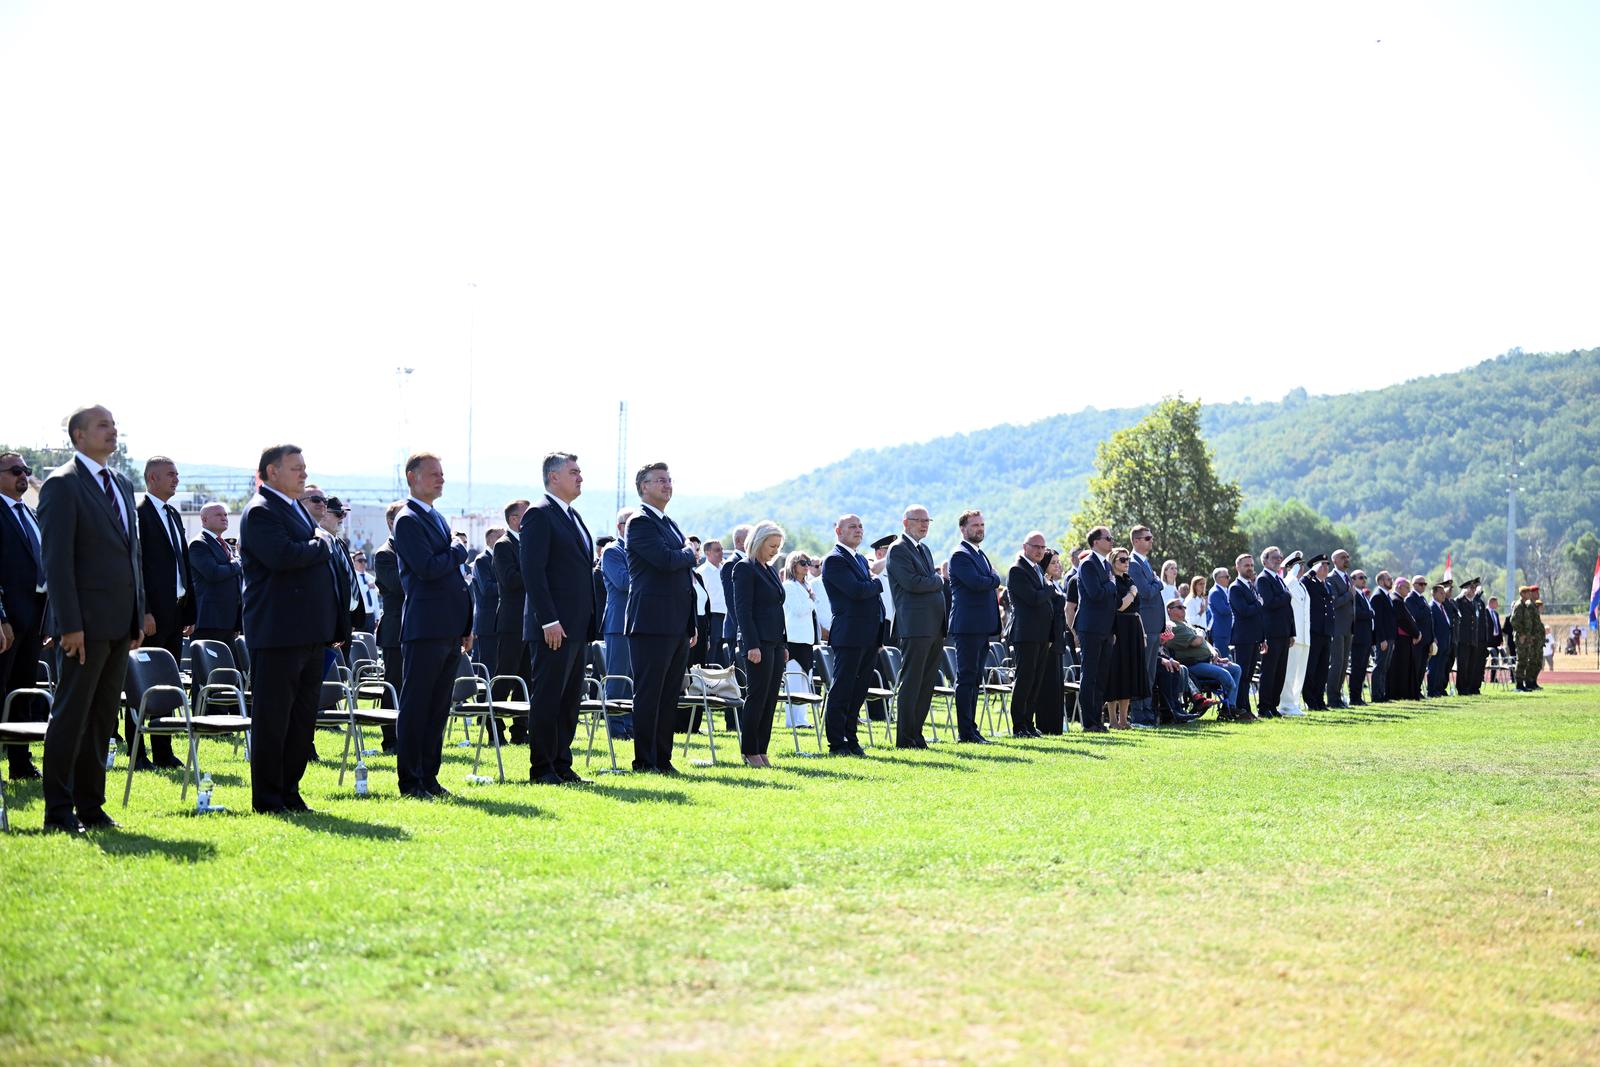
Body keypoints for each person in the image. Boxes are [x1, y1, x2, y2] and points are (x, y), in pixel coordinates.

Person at [37, 406, 146, 833]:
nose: (112, 431)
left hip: (120, 623)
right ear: (78, 436)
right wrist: (69, 624)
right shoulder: (63, 484)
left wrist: (139, 613)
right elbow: (57, 561)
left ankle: (91, 806)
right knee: (72, 716)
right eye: (103, 425)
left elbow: (132, 555)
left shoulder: (120, 482)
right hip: (83, 626)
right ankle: (58, 812)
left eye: (114, 425)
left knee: (104, 717)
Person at [239, 442, 347, 815]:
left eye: (304, 467)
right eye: (295, 468)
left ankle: (290, 790)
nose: (303, 473)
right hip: (278, 632)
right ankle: (268, 798)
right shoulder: (261, 512)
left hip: (310, 633)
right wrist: (321, 542)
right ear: (271, 472)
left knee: (301, 720)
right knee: (274, 719)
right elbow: (283, 557)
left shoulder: (294, 510)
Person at [392, 452, 473, 799]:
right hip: (425, 626)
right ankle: (411, 779)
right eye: (432, 474)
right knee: (418, 704)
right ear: (412, 477)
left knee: (439, 706)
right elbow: (427, 567)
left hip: (448, 626)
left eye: (442, 474)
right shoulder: (408, 519)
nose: (440, 479)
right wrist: (458, 548)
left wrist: (466, 624)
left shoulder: (436, 517)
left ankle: (429, 775)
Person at [521, 452, 599, 785]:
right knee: (549, 697)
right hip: (553, 626)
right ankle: (542, 767)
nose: (580, 477)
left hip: (576, 627)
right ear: (554, 477)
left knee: (569, 700)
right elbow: (533, 571)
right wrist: (548, 619)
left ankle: (561, 763)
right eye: (574, 472)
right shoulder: (539, 514)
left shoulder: (573, 516)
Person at [623, 462, 697, 774]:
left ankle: (663, 759)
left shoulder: (670, 523)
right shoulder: (640, 522)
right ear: (644, 487)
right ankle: (645, 760)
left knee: (669, 695)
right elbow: (667, 561)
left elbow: (683, 573)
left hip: (677, 622)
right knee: (650, 693)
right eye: (660, 481)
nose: (667, 485)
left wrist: (691, 622)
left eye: (669, 480)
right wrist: (688, 554)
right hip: (652, 621)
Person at [128, 455, 194, 770]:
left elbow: (182, 564)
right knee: (143, 684)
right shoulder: (139, 514)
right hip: (153, 615)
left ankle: (164, 752)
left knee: (168, 683)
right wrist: (144, 611)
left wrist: (190, 610)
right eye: (170, 474)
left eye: (177, 474)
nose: (176, 479)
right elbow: (137, 567)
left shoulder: (171, 514)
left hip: (176, 612)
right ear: (152, 478)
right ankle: (137, 752)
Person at [0, 451, 46, 782]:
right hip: (7, 619)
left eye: (26, 470)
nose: (23, 475)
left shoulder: (29, 512)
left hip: (35, 617)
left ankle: (20, 761)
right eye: (16, 470)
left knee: (23, 691)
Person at [822, 514, 884, 755]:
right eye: (852, 527)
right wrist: (876, 583)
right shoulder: (834, 560)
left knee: (858, 691)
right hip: (849, 634)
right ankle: (837, 742)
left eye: (860, 526)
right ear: (838, 532)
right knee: (843, 688)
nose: (858, 530)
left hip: (867, 634)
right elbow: (857, 591)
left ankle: (851, 738)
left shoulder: (858, 558)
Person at [884, 506, 944, 749]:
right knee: (912, 682)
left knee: (926, 683)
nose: (924, 524)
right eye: (918, 520)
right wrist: (938, 580)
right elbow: (912, 583)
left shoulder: (924, 549)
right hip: (915, 625)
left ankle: (916, 735)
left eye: (927, 520)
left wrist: (933, 581)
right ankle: (905, 738)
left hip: (933, 625)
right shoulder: (898, 549)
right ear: (905, 522)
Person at [731, 521, 786, 767]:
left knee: (771, 697)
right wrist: (752, 644)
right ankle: (749, 750)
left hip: (774, 643)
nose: (775, 550)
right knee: (757, 696)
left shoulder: (770, 569)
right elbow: (742, 610)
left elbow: (777, 608)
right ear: (758, 542)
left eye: (778, 546)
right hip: (757, 643)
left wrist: (783, 644)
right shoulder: (745, 568)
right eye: (771, 545)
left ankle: (762, 749)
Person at [948, 509, 1001, 743]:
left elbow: (985, 582)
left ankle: (972, 728)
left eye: (981, 524)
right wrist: (995, 579)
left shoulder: (979, 553)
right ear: (963, 529)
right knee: (967, 678)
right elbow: (977, 583)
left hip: (981, 627)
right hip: (967, 626)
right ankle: (965, 732)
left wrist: (990, 579)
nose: (979, 529)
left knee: (975, 679)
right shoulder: (960, 555)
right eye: (975, 525)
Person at [1004, 531, 1053, 738]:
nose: (1040, 551)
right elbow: (1033, 598)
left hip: (1041, 633)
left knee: (1036, 680)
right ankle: (1018, 725)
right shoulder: (1017, 569)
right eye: (1035, 547)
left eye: (1043, 547)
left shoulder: (1036, 570)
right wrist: (1049, 589)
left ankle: (1029, 723)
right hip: (1026, 633)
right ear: (1025, 547)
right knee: (1025, 679)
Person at [492, 499, 532, 741]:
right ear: (514, 519)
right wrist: (536, 571)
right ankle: (494, 728)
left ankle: (520, 730)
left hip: (530, 622)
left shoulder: (528, 545)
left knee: (526, 678)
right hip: (511, 622)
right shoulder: (504, 546)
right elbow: (510, 580)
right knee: (506, 675)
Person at [1162, 597, 1243, 715]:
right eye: (1179, 607)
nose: (1183, 610)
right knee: (1225, 675)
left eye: (1184, 607)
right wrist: (1201, 632)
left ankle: (1229, 706)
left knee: (1236, 669)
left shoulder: (1187, 624)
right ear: (1169, 610)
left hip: (1207, 661)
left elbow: (1204, 642)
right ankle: (1229, 708)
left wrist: (1214, 653)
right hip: (1192, 665)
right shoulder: (1173, 627)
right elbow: (1197, 641)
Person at [1073, 527, 1119, 732]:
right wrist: (1111, 584)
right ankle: (1089, 722)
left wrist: (1110, 586)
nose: (1112, 541)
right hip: (1090, 627)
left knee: (1101, 676)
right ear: (1095, 542)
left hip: (1106, 628)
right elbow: (1095, 593)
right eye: (1108, 538)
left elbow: (1112, 597)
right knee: (1089, 674)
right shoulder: (1088, 564)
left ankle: (1098, 721)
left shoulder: (1107, 565)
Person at [598, 508, 636, 738]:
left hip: (635, 623)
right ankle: (615, 728)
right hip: (618, 624)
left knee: (632, 679)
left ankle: (630, 725)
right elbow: (623, 582)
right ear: (620, 527)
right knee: (617, 678)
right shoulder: (613, 551)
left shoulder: (635, 551)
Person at [372, 502, 405, 751]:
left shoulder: (411, 549)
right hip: (396, 629)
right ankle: (390, 738)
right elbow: (398, 585)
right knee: (393, 684)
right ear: (392, 523)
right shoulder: (385, 554)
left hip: (416, 627)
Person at [1103, 548, 1148, 730]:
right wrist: (1132, 593)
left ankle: (1124, 719)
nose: (1126, 562)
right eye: (1122, 559)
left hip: (1133, 629)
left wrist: (1143, 633)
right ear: (1113, 561)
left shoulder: (1129, 580)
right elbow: (1120, 606)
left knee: (1129, 673)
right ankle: (1113, 720)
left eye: (1128, 559)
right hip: (1118, 628)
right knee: (1115, 674)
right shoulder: (1112, 581)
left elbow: (1136, 611)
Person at [1126, 527, 1166, 728]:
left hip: (1153, 626)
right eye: (1147, 538)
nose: (1151, 541)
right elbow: (1146, 592)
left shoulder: (1145, 563)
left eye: (1151, 538)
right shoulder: (1133, 564)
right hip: (1144, 626)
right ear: (1135, 541)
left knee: (1149, 673)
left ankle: (1148, 712)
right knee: (1141, 672)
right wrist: (1158, 582)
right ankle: (1139, 715)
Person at [1255, 546, 1295, 717]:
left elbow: (1288, 609)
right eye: (1274, 558)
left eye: (1279, 557)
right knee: (1269, 671)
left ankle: (1273, 705)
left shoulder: (1279, 579)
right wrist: (1287, 596)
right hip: (1271, 632)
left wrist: (1292, 632)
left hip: (1284, 632)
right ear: (1265, 561)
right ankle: (1264, 707)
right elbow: (1269, 603)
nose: (1278, 560)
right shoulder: (1263, 579)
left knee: (1280, 671)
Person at [780, 553, 817, 728]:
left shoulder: (806, 586)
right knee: (794, 681)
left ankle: (802, 719)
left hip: (806, 640)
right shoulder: (788, 586)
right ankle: (793, 721)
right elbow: (798, 610)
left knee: (804, 681)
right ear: (793, 565)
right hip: (794, 639)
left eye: (808, 562)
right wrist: (811, 600)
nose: (806, 566)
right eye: (803, 562)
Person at [1227, 553, 1266, 719]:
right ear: (1238, 567)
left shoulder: (1252, 586)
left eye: (1251, 565)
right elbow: (1244, 611)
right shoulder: (1235, 588)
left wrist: (1262, 638)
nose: (1250, 568)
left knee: (1249, 676)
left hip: (1255, 637)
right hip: (1243, 638)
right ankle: (1242, 709)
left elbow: (1258, 615)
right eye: (1246, 565)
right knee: (1243, 675)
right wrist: (1258, 603)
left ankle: (1246, 708)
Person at [1298, 554, 1333, 711]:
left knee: (1323, 669)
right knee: (1311, 668)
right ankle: (1310, 700)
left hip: (1326, 632)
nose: (1325, 568)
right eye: (1322, 565)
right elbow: (1302, 581)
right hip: (1314, 631)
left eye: (1327, 565)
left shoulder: (1327, 585)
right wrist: (1311, 572)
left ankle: (1320, 700)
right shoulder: (1309, 583)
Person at [1039, 550, 1069, 735]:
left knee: (1057, 684)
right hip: (1049, 638)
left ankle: (1056, 725)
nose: (1058, 565)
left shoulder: (1055, 584)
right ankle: (1046, 725)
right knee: (1048, 684)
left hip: (1058, 638)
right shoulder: (1044, 584)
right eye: (1053, 563)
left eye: (1058, 562)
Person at [469, 526, 502, 679]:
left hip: (499, 621)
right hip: (487, 622)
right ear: (489, 540)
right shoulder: (482, 560)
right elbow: (487, 589)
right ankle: (483, 700)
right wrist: (508, 585)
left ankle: (494, 700)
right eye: (499, 537)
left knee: (497, 664)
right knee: (487, 665)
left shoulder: (499, 558)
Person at [1281, 551, 1310, 717]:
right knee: (1290, 672)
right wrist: (1292, 572)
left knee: (1300, 674)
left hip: (1304, 636)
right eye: (1298, 566)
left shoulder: (1302, 585)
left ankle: (1294, 703)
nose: (1301, 569)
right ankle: (1285, 704)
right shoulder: (1289, 582)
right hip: (1294, 636)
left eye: (1302, 565)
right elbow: (1287, 583)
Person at [1325, 549, 1355, 708]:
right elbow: (1334, 602)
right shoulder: (1332, 578)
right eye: (1343, 557)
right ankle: (1332, 698)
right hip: (1337, 627)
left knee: (1344, 664)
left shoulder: (1347, 577)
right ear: (1335, 561)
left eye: (1347, 556)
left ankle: (1338, 696)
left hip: (1348, 627)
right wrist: (1349, 595)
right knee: (1336, 663)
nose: (1346, 559)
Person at [719, 524, 752, 665]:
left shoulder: (750, 562)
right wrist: (744, 630)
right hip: (738, 631)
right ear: (739, 541)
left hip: (746, 631)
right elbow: (732, 601)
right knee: (740, 679)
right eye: (750, 538)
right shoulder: (731, 564)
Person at [697, 539, 728, 667]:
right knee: (713, 647)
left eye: (721, 549)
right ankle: (710, 677)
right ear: (707, 553)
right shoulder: (702, 572)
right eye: (717, 550)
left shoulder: (725, 569)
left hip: (726, 614)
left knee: (724, 647)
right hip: (712, 615)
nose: (721, 553)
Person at [1368, 571, 1397, 703]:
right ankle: (1376, 695)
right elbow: (1378, 621)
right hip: (1383, 639)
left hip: (1390, 637)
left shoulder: (1386, 596)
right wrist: (1382, 639)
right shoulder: (1378, 596)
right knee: (1379, 666)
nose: (1391, 581)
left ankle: (1382, 693)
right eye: (1388, 579)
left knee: (1385, 667)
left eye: (1391, 578)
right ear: (1380, 582)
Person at [1348, 570, 1375, 705]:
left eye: (1365, 577)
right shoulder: (1354, 595)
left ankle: (1358, 696)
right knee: (1357, 668)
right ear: (1353, 580)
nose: (1364, 580)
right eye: (1360, 578)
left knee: (1362, 668)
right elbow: (1356, 613)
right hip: (1358, 637)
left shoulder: (1363, 595)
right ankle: (1354, 697)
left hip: (1366, 637)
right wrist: (1370, 613)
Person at [1405, 575, 1433, 700]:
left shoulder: (1422, 599)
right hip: (1417, 638)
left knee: (1422, 667)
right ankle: (1413, 691)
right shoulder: (1411, 598)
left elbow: (1429, 619)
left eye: (1424, 584)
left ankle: (1418, 690)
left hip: (1426, 639)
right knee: (1415, 666)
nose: (1423, 586)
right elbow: (1414, 615)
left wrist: (1432, 638)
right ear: (1414, 584)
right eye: (1420, 584)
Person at [1510, 585, 1543, 691]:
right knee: (1521, 661)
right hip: (1521, 638)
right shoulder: (1519, 605)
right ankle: (1519, 685)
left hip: (1527, 638)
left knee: (1525, 661)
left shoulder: (1524, 605)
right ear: (1522, 594)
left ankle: (1524, 684)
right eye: (1527, 592)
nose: (1529, 594)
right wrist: (1521, 634)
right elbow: (1513, 621)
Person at [1427, 582, 1454, 696]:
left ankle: (1439, 689)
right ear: (1434, 594)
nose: (1444, 595)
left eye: (1444, 593)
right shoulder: (1432, 607)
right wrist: (1434, 638)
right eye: (1441, 593)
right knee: (1434, 667)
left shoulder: (1442, 607)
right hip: (1437, 643)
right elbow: (1432, 625)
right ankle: (1432, 690)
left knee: (1441, 667)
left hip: (1445, 642)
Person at [1207, 567, 1233, 660]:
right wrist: (1236, 605)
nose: (1229, 578)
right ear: (1218, 578)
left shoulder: (1224, 590)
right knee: (1222, 658)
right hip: (1220, 631)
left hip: (1225, 630)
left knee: (1226, 658)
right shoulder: (1215, 592)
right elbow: (1223, 610)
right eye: (1226, 576)